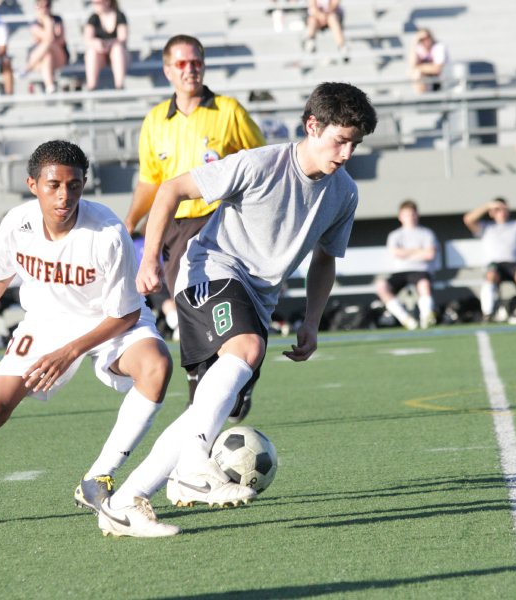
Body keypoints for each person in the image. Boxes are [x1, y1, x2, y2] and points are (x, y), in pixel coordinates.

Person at [91, 82, 377, 538]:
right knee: (245, 350)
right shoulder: (261, 163)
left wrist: (311, 321)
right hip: (209, 271)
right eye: (339, 140)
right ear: (312, 126)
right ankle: (192, 470)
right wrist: (150, 260)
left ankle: (126, 501)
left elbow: (325, 257)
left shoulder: (344, 193)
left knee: (210, 408)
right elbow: (170, 190)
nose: (345, 153)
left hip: (255, 299)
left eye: (354, 144)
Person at [0, 141, 174, 534]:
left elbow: (127, 311)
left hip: (108, 319)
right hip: (45, 322)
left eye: (74, 185)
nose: (64, 196)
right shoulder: (18, 223)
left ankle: (98, 478)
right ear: (32, 184)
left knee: (157, 365)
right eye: (53, 185)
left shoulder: (108, 231)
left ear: (84, 184)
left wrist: (71, 351)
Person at [122, 34, 265, 418]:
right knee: (189, 304)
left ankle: (212, 384)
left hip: (217, 221)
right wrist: (131, 221)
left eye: (196, 61)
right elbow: (151, 182)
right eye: (181, 64)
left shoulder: (228, 110)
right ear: (168, 70)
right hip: (171, 226)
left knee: (203, 299)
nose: (190, 69)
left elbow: (259, 162)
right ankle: (219, 382)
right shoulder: (155, 120)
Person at [463, 198, 516, 321]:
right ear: (491, 212)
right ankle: (487, 314)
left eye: (504, 209)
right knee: (490, 277)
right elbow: (468, 219)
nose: (501, 212)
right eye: (497, 210)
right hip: (496, 265)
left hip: (514, 264)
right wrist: (488, 205)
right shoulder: (486, 227)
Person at [376, 200, 439, 330]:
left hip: (421, 270)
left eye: (412, 214)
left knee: (424, 285)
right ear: (400, 216)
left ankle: (426, 318)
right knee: (381, 286)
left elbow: (430, 255)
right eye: (406, 214)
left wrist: (406, 253)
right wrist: (418, 250)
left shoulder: (426, 233)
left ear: (417, 215)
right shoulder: (395, 235)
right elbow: (395, 253)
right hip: (400, 272)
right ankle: (405, 319)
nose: (410, 217)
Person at [19, 0, 69, 94]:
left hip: (58, 56)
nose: (44, 8)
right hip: (40, 60)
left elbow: (58, 40)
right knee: (47, 55)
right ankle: (50, 86)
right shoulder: (34, 23)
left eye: (47, 6)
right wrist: (50, 26)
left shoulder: (57, 19)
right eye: (40, 6)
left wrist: (47, 21)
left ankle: (27, 69)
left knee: (48, 44)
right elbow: (50, 38)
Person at [83, 0, 128, 91]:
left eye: (98, 2)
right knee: (92, 51)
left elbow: (122, 38)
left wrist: (109, 44)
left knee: (117, 49)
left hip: (118, 54)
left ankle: (119, 85)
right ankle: (91, 86)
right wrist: (97, 43)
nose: (95, 5)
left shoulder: (119, 16)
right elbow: (87, 39)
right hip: (100, 56)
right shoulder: (93, 18)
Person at [408, 28, 449, 93]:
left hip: (442, 81)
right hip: (429, 81)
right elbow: (412, 65)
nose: (425, 41)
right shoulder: (420, 48)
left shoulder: (439, 47)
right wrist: (414, 43)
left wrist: (420, 67)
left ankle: (423, 98)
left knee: (418, 71)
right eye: (421, 39)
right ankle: (422, 98)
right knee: (416, 73)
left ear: (431, 37)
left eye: (427, 37)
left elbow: (437, 69)